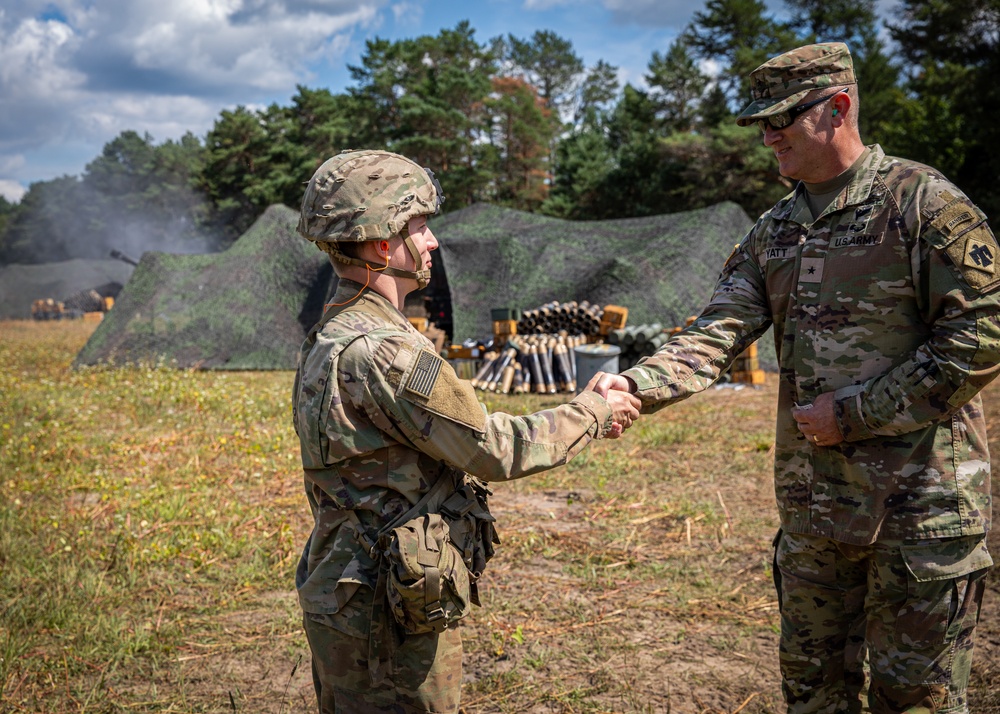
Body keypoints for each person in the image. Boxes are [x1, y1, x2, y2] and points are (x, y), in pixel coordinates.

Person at [595, 43, 998, 713]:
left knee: (916, 702)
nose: (766, 135)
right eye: (760, 121)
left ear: (838, 109)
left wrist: (855, 413)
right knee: (814, 698)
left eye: (781, 117)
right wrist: (635, 386)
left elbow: (981, 335)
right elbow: (714, 333)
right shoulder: (774, 232)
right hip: (816, 520)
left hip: (921, 520)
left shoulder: (922, 205)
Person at [291, 148, 640, 714]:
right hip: (388, 609)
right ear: (384, 243)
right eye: (421, 228)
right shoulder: (388, 353)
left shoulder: (330, 335)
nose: (431, 243)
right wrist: (591, 412)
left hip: (346, 590)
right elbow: (493, 449)